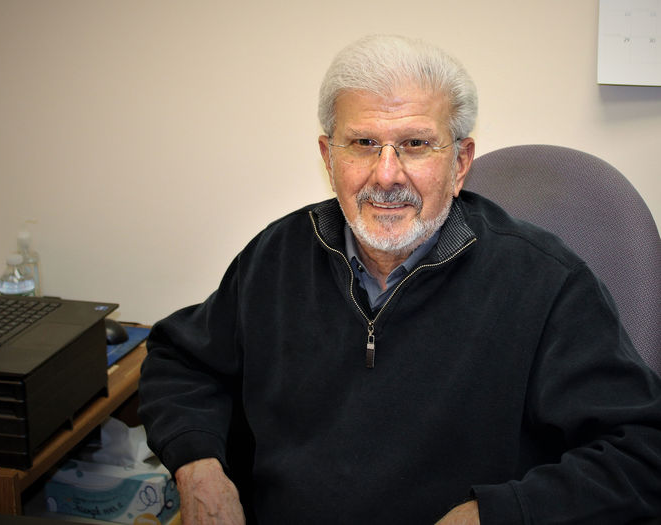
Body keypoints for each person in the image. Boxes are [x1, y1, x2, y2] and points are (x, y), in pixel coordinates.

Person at [138, 35, 661, 524]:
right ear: (328, 158)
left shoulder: (544, 282)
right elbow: (182, 361)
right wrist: (198, 463)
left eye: (414, 144)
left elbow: (642, 452)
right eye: (363, 143)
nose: (386, 175)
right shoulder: (278, 255)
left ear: (460, 163)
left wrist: (497, 514)